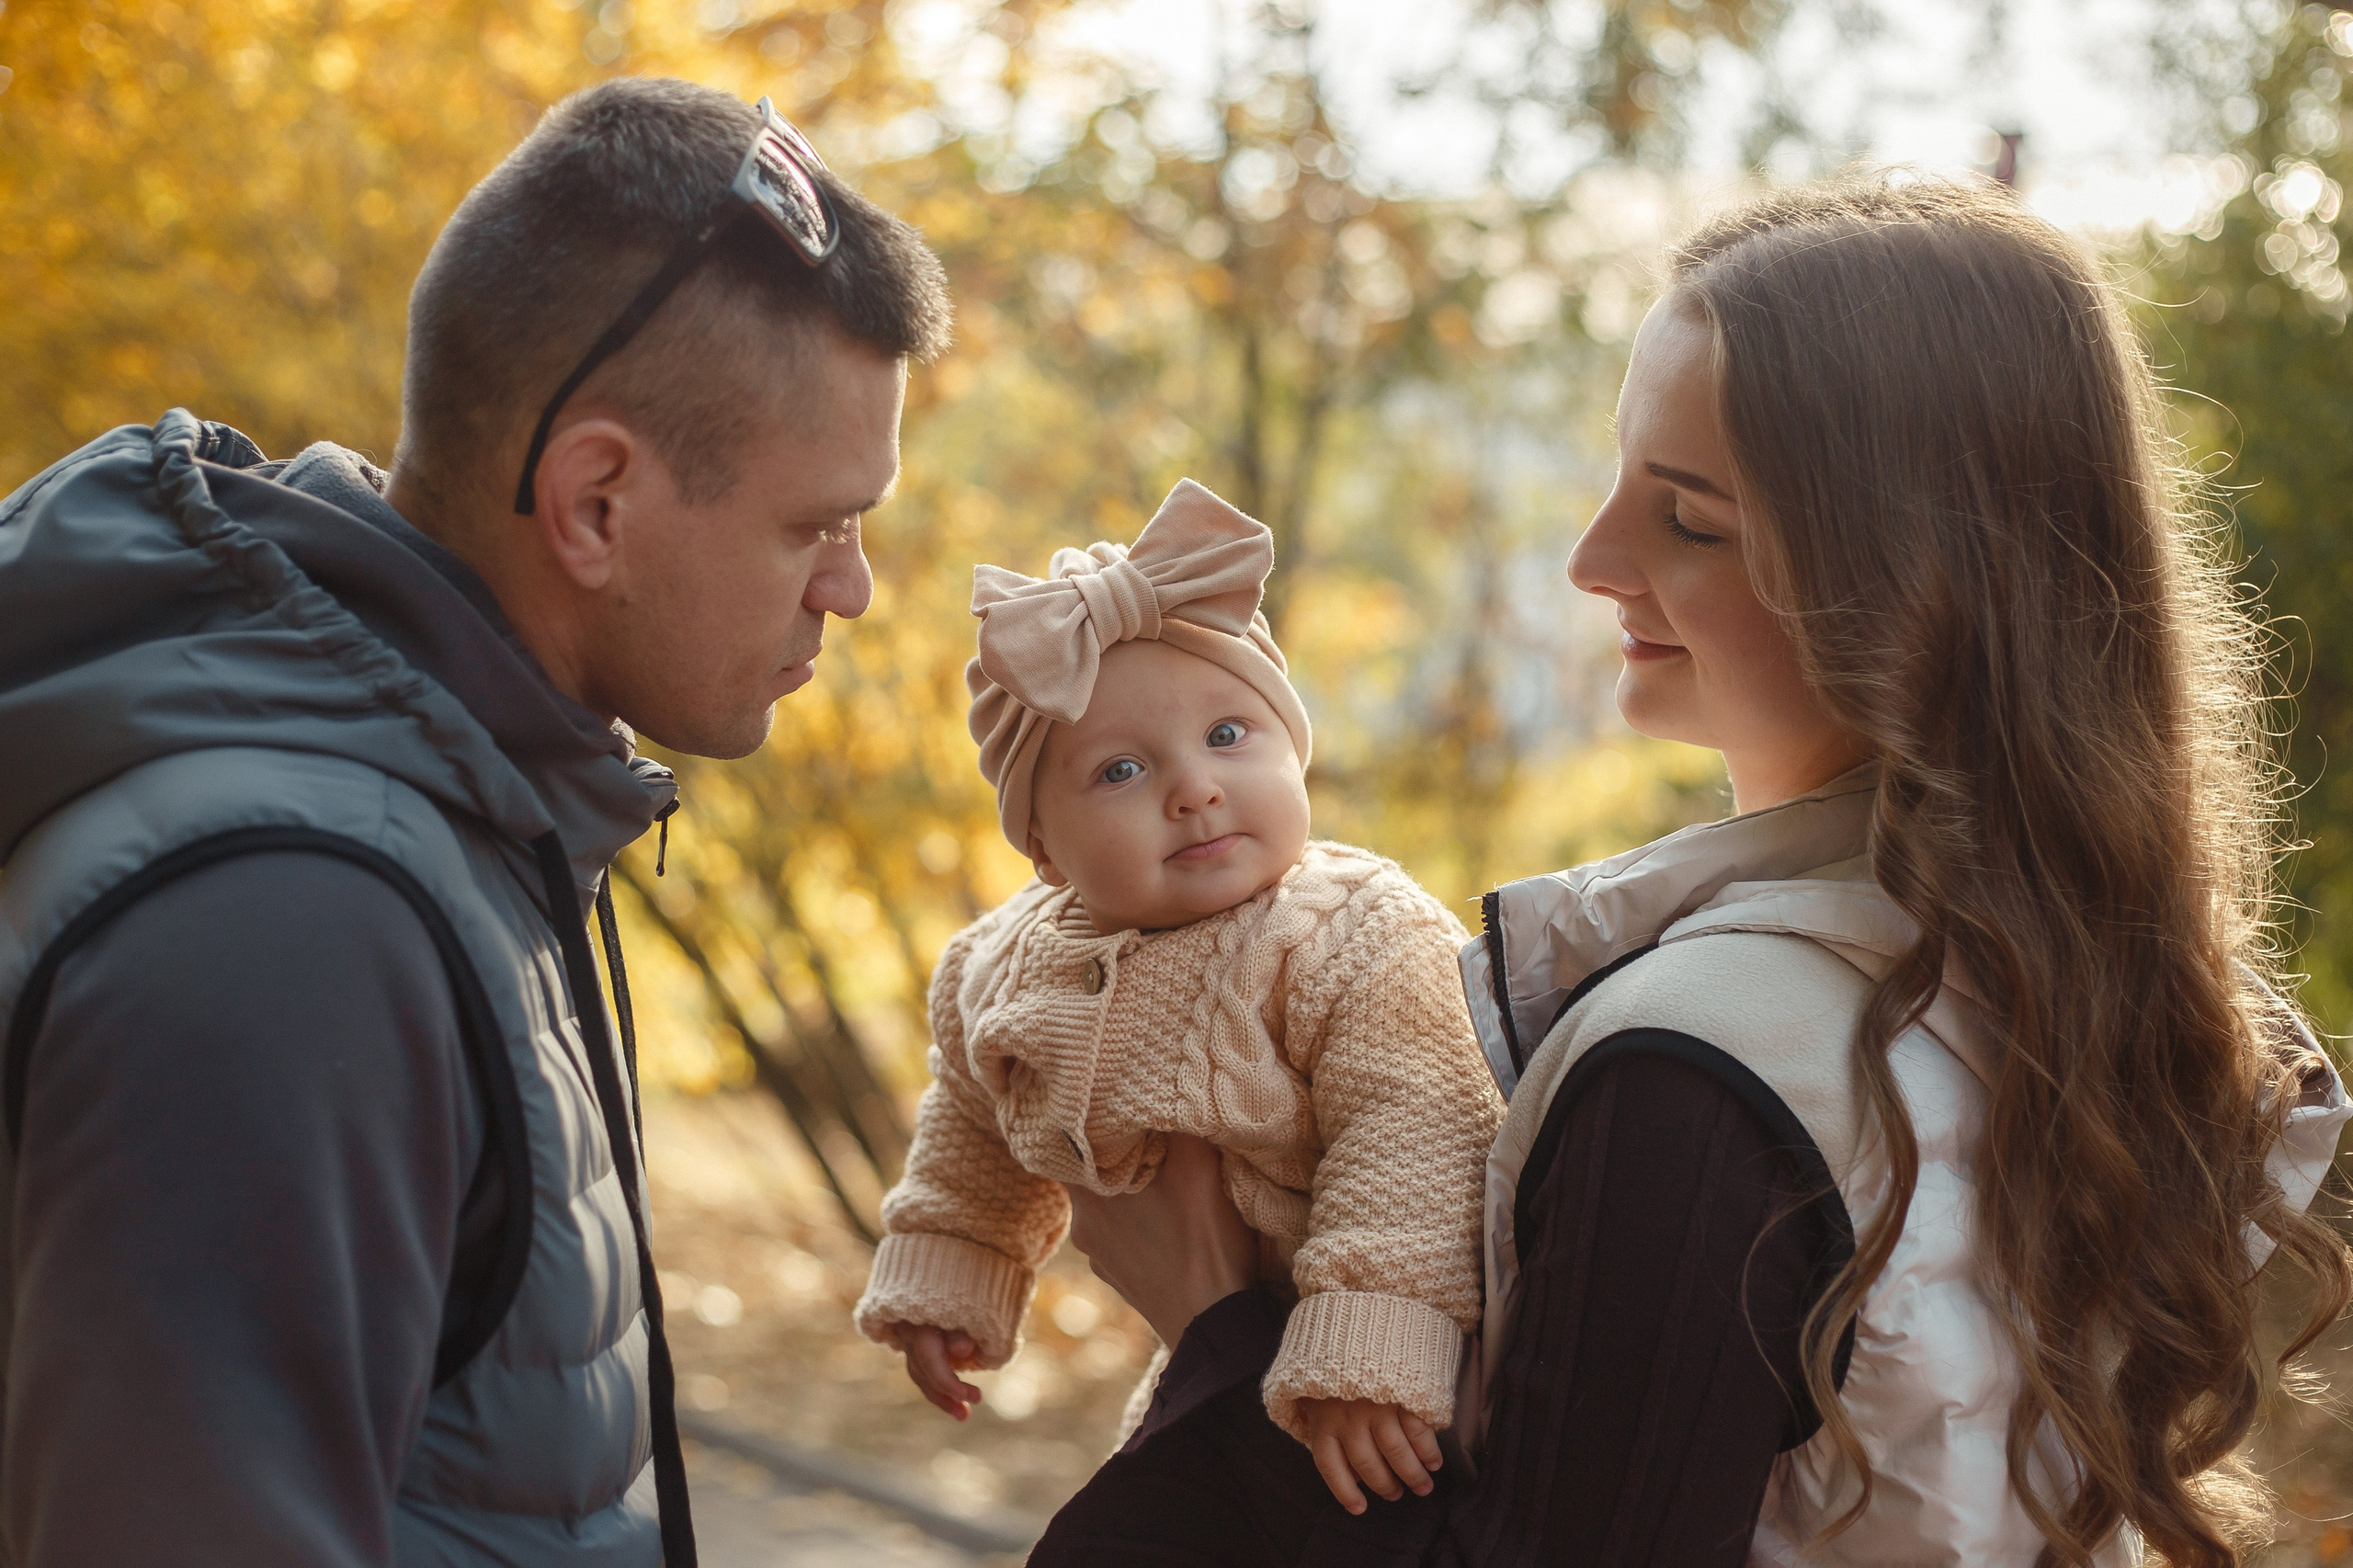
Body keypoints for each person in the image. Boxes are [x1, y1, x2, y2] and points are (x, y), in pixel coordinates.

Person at [1034, 173, 2353, 1567]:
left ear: (1914, 579)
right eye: (1617, 485)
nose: (1594, 558)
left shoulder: (1695, 1074)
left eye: (1693, 520)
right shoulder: (2074, 976)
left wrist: (1220, 1330)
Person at [0, 76, 948, 1566]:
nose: (851, 589)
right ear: (594, 506)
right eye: (817, 525)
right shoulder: (288, 927)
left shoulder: (478, 814)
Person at [851, 480, 1503, 1552]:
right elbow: (972, 1120)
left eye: (1229, 732)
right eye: (1120, 769)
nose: (1194, 787)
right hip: (1206, 1362)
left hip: (1402, 1362)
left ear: (1295, 751)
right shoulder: (996, 962)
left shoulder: (1356, 929)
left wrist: (1372, 1337)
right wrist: (953, 1267)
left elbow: (1420, 1124)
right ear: (1045, 850)